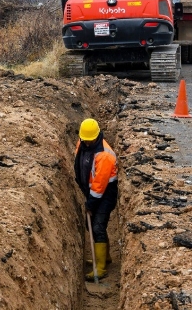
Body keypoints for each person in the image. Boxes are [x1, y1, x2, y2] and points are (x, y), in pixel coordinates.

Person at [73, 118, 118, 281]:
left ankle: (101, 267)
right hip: (92, 191)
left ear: (96, 137)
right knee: (91, 224)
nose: (86, 143)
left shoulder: (104, 155)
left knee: (98, 226)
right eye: (84, 140)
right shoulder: (83, 143)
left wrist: (90, 204)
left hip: (106, 193)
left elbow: (99, 185)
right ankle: (103, 257)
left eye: (89, 141)